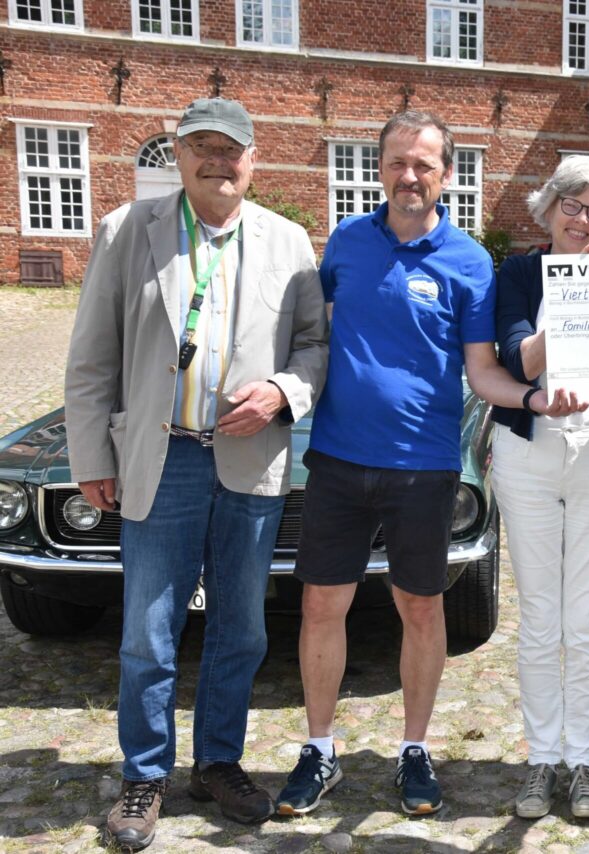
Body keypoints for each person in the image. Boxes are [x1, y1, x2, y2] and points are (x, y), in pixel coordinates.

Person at [275, 111, 580, 818]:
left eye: (424, 165)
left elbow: (482, 371)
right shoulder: (347, 243)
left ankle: (415, 749)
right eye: (397, 162)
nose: (409, 176)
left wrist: (532, 398)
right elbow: (313, 336)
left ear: (446, 174)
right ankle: (319, 749)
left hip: (424, 466)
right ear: (380, 167)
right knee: (322, 605)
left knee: (420, 606)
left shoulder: (469, 261)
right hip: (338, 458)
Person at [64, 97, 328, 851]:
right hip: (163, 457)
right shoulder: (126, 230)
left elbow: (315, 345)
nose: (218, 161)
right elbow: (92, 356)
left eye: (231, 149)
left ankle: (218, 763)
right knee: (149, 632)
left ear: (254, 159)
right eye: (201, 147)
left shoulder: (287, 240)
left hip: (249, 458)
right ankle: (145, 775)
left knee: (241, 627)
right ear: (177, 155)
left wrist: (282, 392)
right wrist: (92, 457)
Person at [490, 156, 589, 820]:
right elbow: (519, 359)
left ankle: (584, 761)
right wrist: (579, 296)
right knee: (541, 617)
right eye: (570, 207)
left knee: (585, 617)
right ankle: (542, 756)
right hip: (530, 454)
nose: (582, 220)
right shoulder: (519, 274)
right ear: (546, 210)